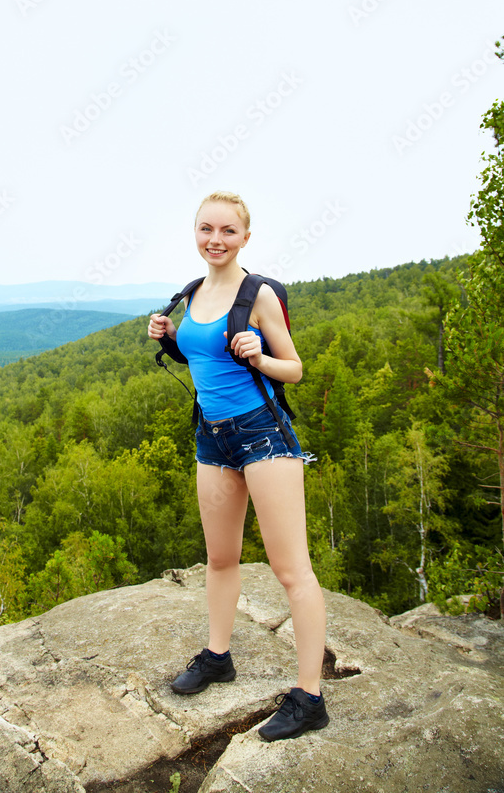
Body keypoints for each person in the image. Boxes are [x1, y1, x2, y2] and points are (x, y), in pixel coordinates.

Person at [147, 191, 328, 742]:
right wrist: (174, 340)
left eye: (228, 231)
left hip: (263, 434)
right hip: (212, 437)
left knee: (290, 568)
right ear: (195, 233)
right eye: (207, 229)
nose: (216, 240)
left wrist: (260, 354)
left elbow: (293, 369)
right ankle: (218, 656)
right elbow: (204, 359)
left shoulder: (261, 295)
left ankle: (309, 698)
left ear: (245, 237)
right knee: (220, 558)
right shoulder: (194, 293)